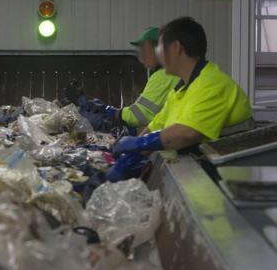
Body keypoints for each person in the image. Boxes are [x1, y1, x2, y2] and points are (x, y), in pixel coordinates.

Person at [110, 17, 253, 176]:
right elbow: (156, 125)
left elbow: (187, 133)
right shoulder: (181, 90)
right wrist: (132, 157)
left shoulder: (212, 84)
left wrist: (140, 143)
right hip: (204, 171)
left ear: (176, 48)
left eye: (160, 48)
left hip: (228, 182)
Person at [104, 27, 179, 128]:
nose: (142, 56)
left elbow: (140, 116)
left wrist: (115, 113)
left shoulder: (164, 76)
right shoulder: (173, 74)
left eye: (144, 50)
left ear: (159, 49)